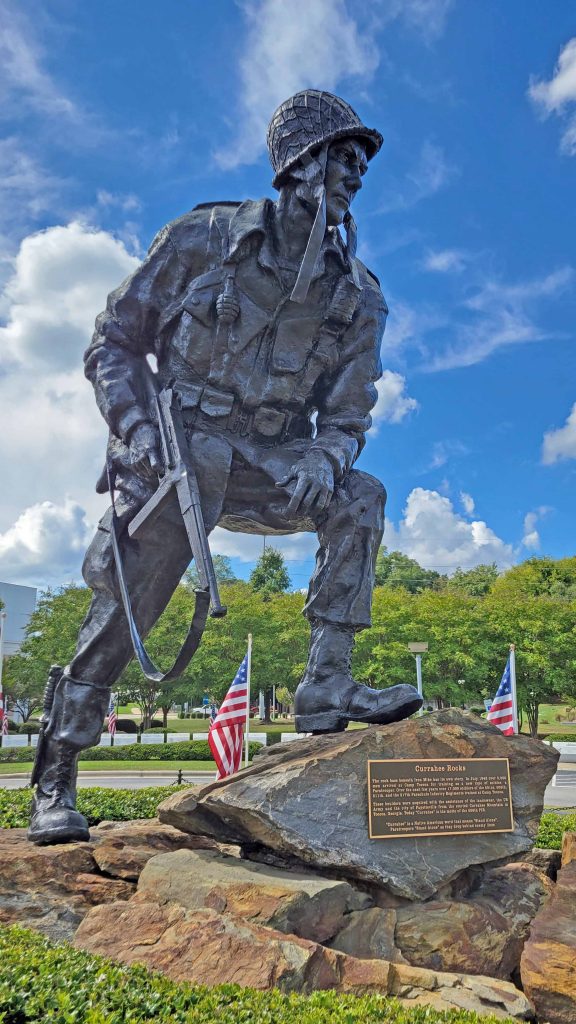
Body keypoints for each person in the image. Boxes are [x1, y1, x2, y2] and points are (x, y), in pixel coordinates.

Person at [28, 90, 422, 845]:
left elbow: (348, 416)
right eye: (345, 157)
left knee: (360, 496)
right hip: (177, 449)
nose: (358, 174)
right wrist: (137, 429)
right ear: (300, 163)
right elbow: (112, 342)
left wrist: (326, 454)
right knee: (127, 611)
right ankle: (58, 772)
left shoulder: (358, 297)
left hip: (268, 464)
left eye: (364, 161)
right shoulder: (202, 240)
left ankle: (326, 683)